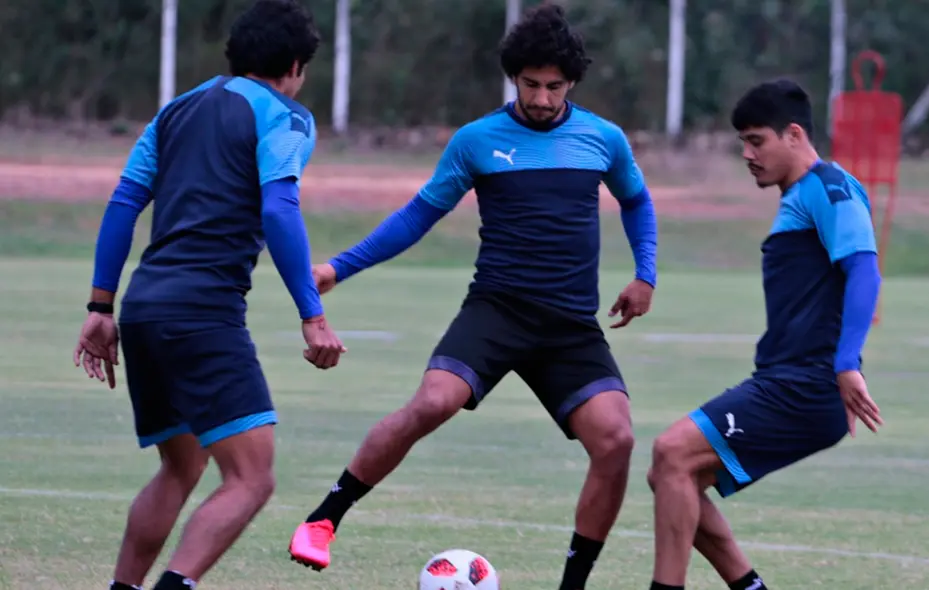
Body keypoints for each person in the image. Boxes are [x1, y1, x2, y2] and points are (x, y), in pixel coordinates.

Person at [287, 5, 658, 589]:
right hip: (498, 310)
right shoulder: (478, 141)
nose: (540, 98)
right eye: (530, 84)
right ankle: (323, 520)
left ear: (573, 83)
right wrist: (340, 267)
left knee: (617, 440)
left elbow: (635, 201)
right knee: (433, 402)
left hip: (568, 326)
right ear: (514, 78)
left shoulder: (602, 139)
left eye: (553, 86)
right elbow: (419, 214)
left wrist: (646, 274)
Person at [71, 2, 345, 589]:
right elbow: (279, 206)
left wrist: (100, 308)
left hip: (143, 307)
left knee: (182, 465)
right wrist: (312, 314)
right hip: (202, 313)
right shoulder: (287, 117)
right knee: (252, 478)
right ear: (296, 65)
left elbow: (123, 203)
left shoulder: (175, 110)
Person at [643, 79, 884, 590]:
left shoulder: (829, 186)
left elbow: (864, 271)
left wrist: (846, 364)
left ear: (793, 134)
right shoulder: (805, 194)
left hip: (805, 384)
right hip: (789, 377)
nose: (747, 154)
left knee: (672, 455)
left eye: (757, 141)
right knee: (672, 476)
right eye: (743, 144)